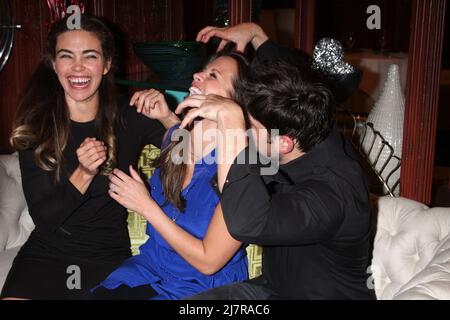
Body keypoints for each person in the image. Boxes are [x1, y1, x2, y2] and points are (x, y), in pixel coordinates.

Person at [175, 23, 376, 299]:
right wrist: (257, 34)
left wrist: (232, 124)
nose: (246, 133)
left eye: (250, 128)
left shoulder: (332, 193)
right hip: (272, 290)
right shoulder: (308, 117)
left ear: (283, 143)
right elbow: (294, 78)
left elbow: (247, 222)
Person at [1, 15, 179, 300]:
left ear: (107, 64)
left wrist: (169, 117)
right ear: (54, 64)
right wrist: (83, 173)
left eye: (90, 56)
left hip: (107, 258)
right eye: (66, 56)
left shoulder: (129, 115)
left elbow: (196, 156)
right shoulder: (37, 125)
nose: (78, 68)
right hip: (47, 256)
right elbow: (45, 220)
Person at [89, 49, 250, 300]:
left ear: (235, 102)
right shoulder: (175, 140)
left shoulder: (242, 170)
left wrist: (146, 206)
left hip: (203, 287)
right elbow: (185, 142)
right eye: (203, 70)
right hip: (150, 267)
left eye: (213, 75)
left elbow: (209, 262)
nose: (197, 74)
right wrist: (165, 116)